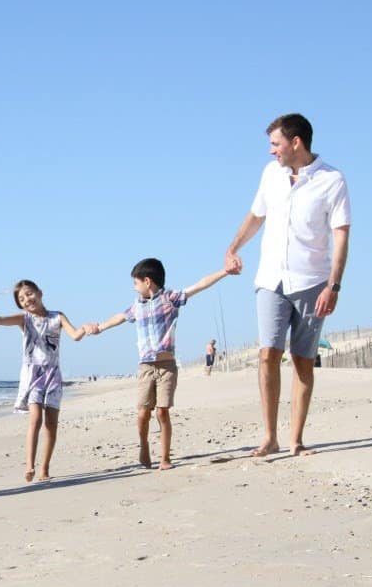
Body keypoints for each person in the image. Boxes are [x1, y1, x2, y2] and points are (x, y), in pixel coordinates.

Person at [224, 113, 351, 457]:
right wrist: (233, 248)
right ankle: (269, 436)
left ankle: (295, 439)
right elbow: (256, 216)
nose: (271, 152)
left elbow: (341, 235)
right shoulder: (271, 175)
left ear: (296, 143)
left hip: (312, 282)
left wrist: (333, 286)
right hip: (270, 278)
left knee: (302, 361)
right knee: (268, 354)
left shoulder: (332, 180)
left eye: (275, 144)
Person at [84, 258, 229, 470]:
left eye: (135, 283)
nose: (134, 288)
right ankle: (143, 446)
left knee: (162, 411)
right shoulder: (136, 306)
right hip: (145, 367)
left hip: (166, 366)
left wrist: (224, 271)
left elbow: (200, 285)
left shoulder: (170, 298)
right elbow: (120, 317)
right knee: (143, 413)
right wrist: (100, 327)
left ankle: (164, 457)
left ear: (147, 281)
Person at [0, 279, 88, 482]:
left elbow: (75, 335)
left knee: (51, 424)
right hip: (33, 376)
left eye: (29, 294)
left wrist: (86, 329)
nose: (27, 300)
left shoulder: (58, 316)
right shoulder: (24, 319)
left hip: (53, 376)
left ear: (40, 292)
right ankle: (29, 465)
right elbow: (0, 319)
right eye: (21, 299)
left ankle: (44, 469)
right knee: (35, 418)